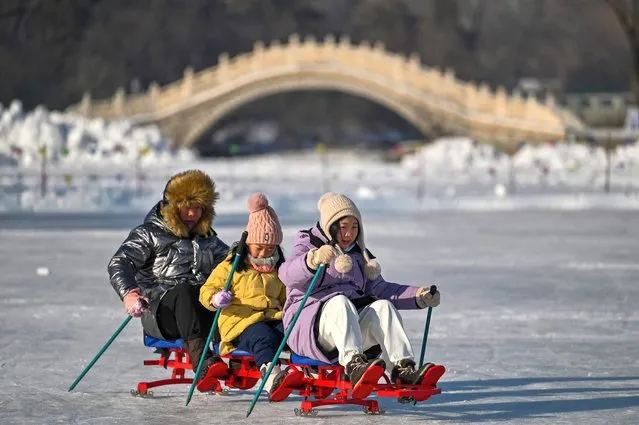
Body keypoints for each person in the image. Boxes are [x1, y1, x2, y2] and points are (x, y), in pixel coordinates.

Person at [277, 192, 442, 394]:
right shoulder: (308, 243)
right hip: (309, 329)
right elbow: (286, 275)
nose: (349, 234)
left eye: (354, 227)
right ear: (331, 226)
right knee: (339, 302)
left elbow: (382, 290)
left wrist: (418, 297)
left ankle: (402, 369)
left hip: (347, 329)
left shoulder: (358, 255)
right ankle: (354, 366)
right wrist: (311, 261)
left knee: (383, 307)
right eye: (343, 228)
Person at [108, 169, 230, 389]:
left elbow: (231, 264)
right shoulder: (149, 234)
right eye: (187, 208)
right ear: (173, 207)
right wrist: (129, 293)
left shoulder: (207, 238)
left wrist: (253, 255)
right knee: (185, 291)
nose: (193, 214)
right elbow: (120, 262)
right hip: (161, 314)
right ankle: (202, 361)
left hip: (201, 311)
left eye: (198, 208)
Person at [199, 193, 292, 398]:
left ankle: (307, 369)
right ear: (248, 243)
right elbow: (206, 290)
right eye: (259, 247)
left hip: (272, 318)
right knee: (263, 336)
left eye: (270, 248)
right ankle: (270, 376)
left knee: (295, 330)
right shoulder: (232, 266)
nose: (264, 253)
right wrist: (216, 298)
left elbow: (287, 298)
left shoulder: (278, 270)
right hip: (240, 323)